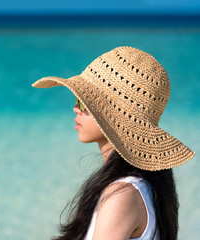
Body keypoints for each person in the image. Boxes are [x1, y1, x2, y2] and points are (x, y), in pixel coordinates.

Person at [32, 46, 195, 240]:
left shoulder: (122, 194)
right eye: (77, 98)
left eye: (84, 102)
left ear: (114, 115)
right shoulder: (146, 187)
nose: (75, 108)